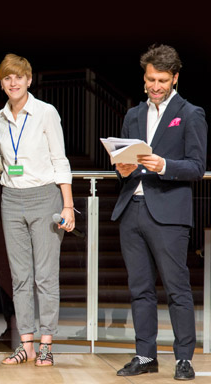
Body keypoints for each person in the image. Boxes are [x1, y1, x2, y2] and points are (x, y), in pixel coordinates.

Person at [111, 44, 207, 381]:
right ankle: (145, 355)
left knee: (177, 289)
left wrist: (164, 165)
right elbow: (124, 159)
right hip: (132, 209)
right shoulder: (133, 114)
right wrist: (121, 168)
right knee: (140, 289)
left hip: (168, 214)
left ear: (175, 78)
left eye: (162, 80)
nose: (155, 86)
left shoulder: (191, 113)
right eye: (150, 79)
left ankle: (183, 359)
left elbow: (197, 166)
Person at [0, 54, 75, 367]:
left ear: (29, 79)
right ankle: (25, 344)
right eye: (7, 78)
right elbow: (4, 160)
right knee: (20, 276)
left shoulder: (45, 113)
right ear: (2, 83)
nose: (13, 83)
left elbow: (60, 159)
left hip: (45, 198)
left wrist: (67, 204)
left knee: (45, 276)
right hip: (11, 199)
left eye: (18, 77)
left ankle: (46, 344)